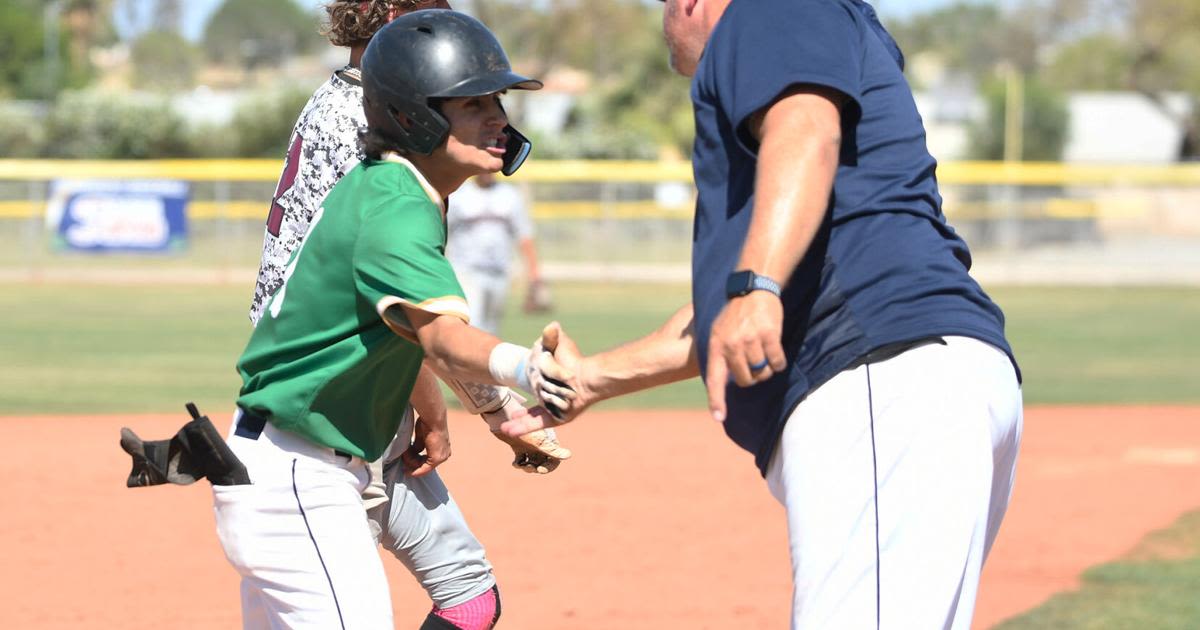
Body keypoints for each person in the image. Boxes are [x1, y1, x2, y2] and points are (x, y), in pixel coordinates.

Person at [502, 0, 1024, 627]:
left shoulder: (773, 8)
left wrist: (758, 288)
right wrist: (592, 378)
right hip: (907, 372)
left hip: (877, 372)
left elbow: (806, 127)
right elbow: (723, 320)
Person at [215, 10, 576, 629]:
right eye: (473, 103)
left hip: (326, 445)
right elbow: (439, 334)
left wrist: (470, 406)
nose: (499, 119)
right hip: (304, 465)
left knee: (470, 597)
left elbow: (404, 328)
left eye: (497, 101)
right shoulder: (394, 201)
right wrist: (525, 369)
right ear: (415, 115)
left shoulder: (398, 184)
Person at [446, 171, 548, 335]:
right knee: (473, 324)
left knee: (492, 329)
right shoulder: (459, 194)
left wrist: (534, 276)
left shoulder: (509, 195)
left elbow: (524, 236)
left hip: (499, 272)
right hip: (466, 271)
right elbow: (441, 231)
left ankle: (482, 360)